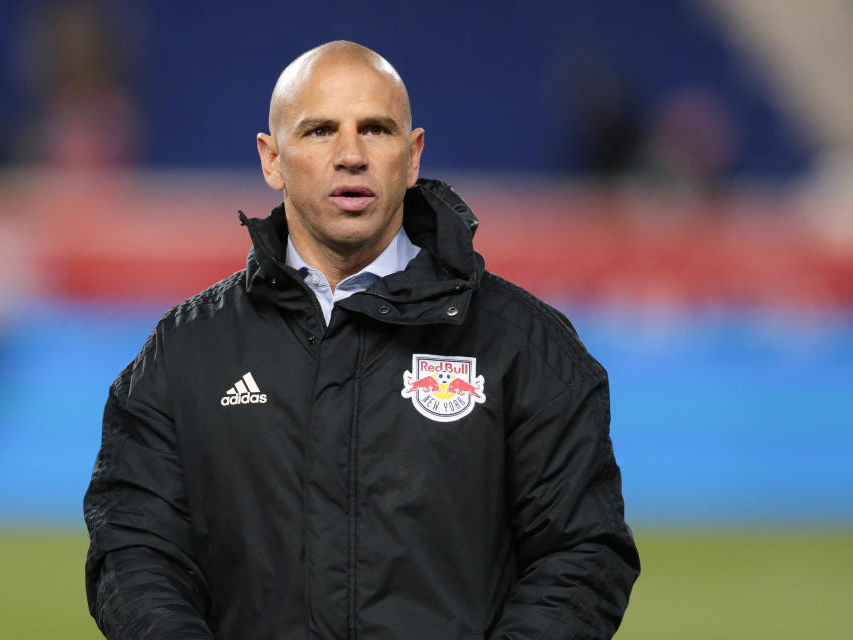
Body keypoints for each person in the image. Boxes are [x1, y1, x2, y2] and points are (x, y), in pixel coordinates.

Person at [84, 40, 639, 639]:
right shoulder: (185, 352)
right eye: (320, 131)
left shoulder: (525, 348)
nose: (351, 155)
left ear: (413, 154)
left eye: (375, 129)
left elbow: (584, 555)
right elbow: (135, 551)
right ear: (271, 160)